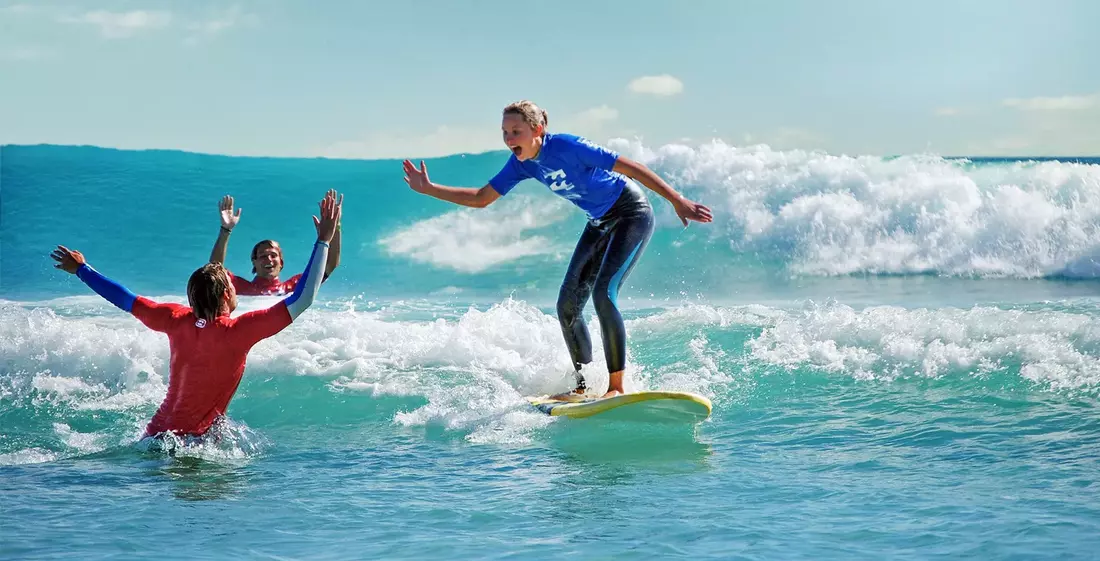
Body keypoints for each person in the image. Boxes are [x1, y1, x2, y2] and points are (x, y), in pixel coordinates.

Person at [402, 100, 713, 399]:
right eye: (505, 132)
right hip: (599, 221)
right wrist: (430, 189)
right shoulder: (521, 164)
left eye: (515, 131)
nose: (509, 139)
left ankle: (617, 385)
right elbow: (483, 197)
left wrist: (677, 200)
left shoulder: (567, 146)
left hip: (631, 213)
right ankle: (584, 385)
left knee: (604, 294)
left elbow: (631, 167)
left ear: (537, 129)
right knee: (567, 306)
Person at [50, 189, 343, 439]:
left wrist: (82, 270)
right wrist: (323, 240)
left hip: (154, 435)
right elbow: (304, 298)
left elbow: (124, 298)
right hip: (191, 442)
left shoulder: (173, 318)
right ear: (228, 294)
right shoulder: (238, 331)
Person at [209, 192, 343, 295]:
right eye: (262, 256)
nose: (269, 259)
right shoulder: (240, 287)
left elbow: (330, 265)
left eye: (273, 255)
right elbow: (215, 269)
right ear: (254, 263)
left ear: (281, 263)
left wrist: (335, 228)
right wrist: (226, 229)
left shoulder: (293, 287)